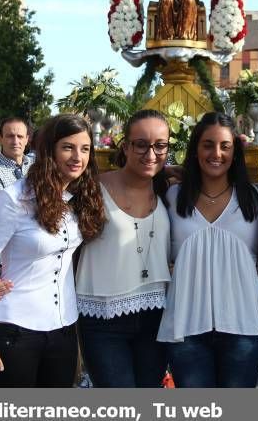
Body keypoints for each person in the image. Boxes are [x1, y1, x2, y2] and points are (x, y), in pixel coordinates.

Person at [0, 115, 105, 387]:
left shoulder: (80, 198)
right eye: (68, 147)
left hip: (64, 329)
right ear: (49, 149)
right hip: (16, 330)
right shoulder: (14, 199)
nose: (78, 157)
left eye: (85, 148)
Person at [157, 112, 258, 387]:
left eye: (225, 146)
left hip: (243, 325)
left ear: (235, 152)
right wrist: (164, 172)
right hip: (187, 326)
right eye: (207, 145)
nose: (216, 153)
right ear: (195, 149)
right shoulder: (172, 197)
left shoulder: (254, 197)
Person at [74, 109, 172, 387]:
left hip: (155, 315)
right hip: (102, 317)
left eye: (160, 145)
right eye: (141, 144)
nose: (151, 154)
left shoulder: (168, 190)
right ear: (125, 146)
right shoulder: (92, 189)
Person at [0, 117, 32, 209]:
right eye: (10, 136)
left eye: (20, 136)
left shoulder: (35, 165)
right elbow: (1, 212)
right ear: (0, 138)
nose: (15, 141)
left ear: (26, 139)